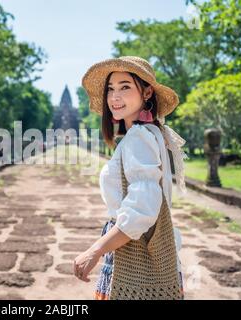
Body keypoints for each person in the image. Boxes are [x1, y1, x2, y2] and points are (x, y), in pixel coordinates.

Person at [74, 56, 189, 300]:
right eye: (110, 89)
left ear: (147, 92)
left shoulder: (139, 136)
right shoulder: (150, 132)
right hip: (133, 250)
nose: (115, 96)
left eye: (125, 87)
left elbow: (143, 207)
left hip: (133, 256)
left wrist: (95, 250)